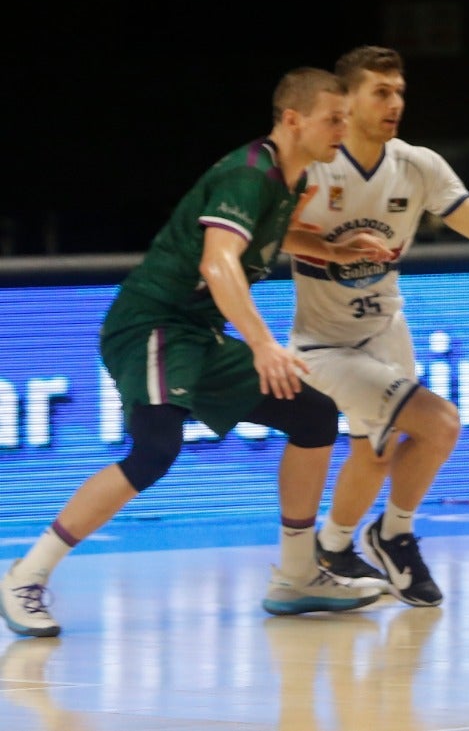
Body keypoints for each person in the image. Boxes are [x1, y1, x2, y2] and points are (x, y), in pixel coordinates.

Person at [1, 68, 382, 638]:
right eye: (334, 118)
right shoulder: (248, 175)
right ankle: (25, 577)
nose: (342, 129)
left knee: (313, 414)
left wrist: (329, 248)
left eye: (346, 120)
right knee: (156, 448)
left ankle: (298, 575)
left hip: (196, 331)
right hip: (154, 322)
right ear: (292, 118)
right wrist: (262, 344)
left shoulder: (291, 180)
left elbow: (266, 238)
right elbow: (217, 262)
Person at [283, 46, 469, 607]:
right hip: (325, 343)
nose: (395, 103)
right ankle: (394, 533)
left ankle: (335, 548)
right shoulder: (315, 163)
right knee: (440, 424)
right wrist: (332, 250)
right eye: (381, 92)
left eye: (400, 92)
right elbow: (269, 234)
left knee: (376, 452)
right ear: (347, 100)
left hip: (387, 328)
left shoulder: (418, 165)